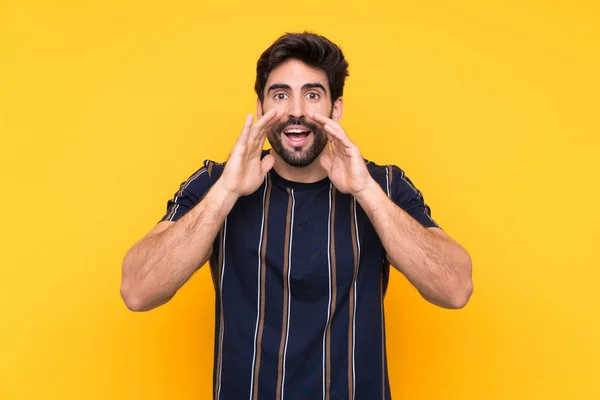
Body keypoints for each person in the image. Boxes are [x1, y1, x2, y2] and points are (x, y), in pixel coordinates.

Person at [120, 31, 473, 400]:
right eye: (280, 94)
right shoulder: (216, 182)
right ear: (261, 107)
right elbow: (138, 290)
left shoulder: (384, 184)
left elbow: (454, 288)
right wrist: (225, 192)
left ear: (336, 109)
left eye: (313, 94)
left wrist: (367, 192)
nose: (297, 110)